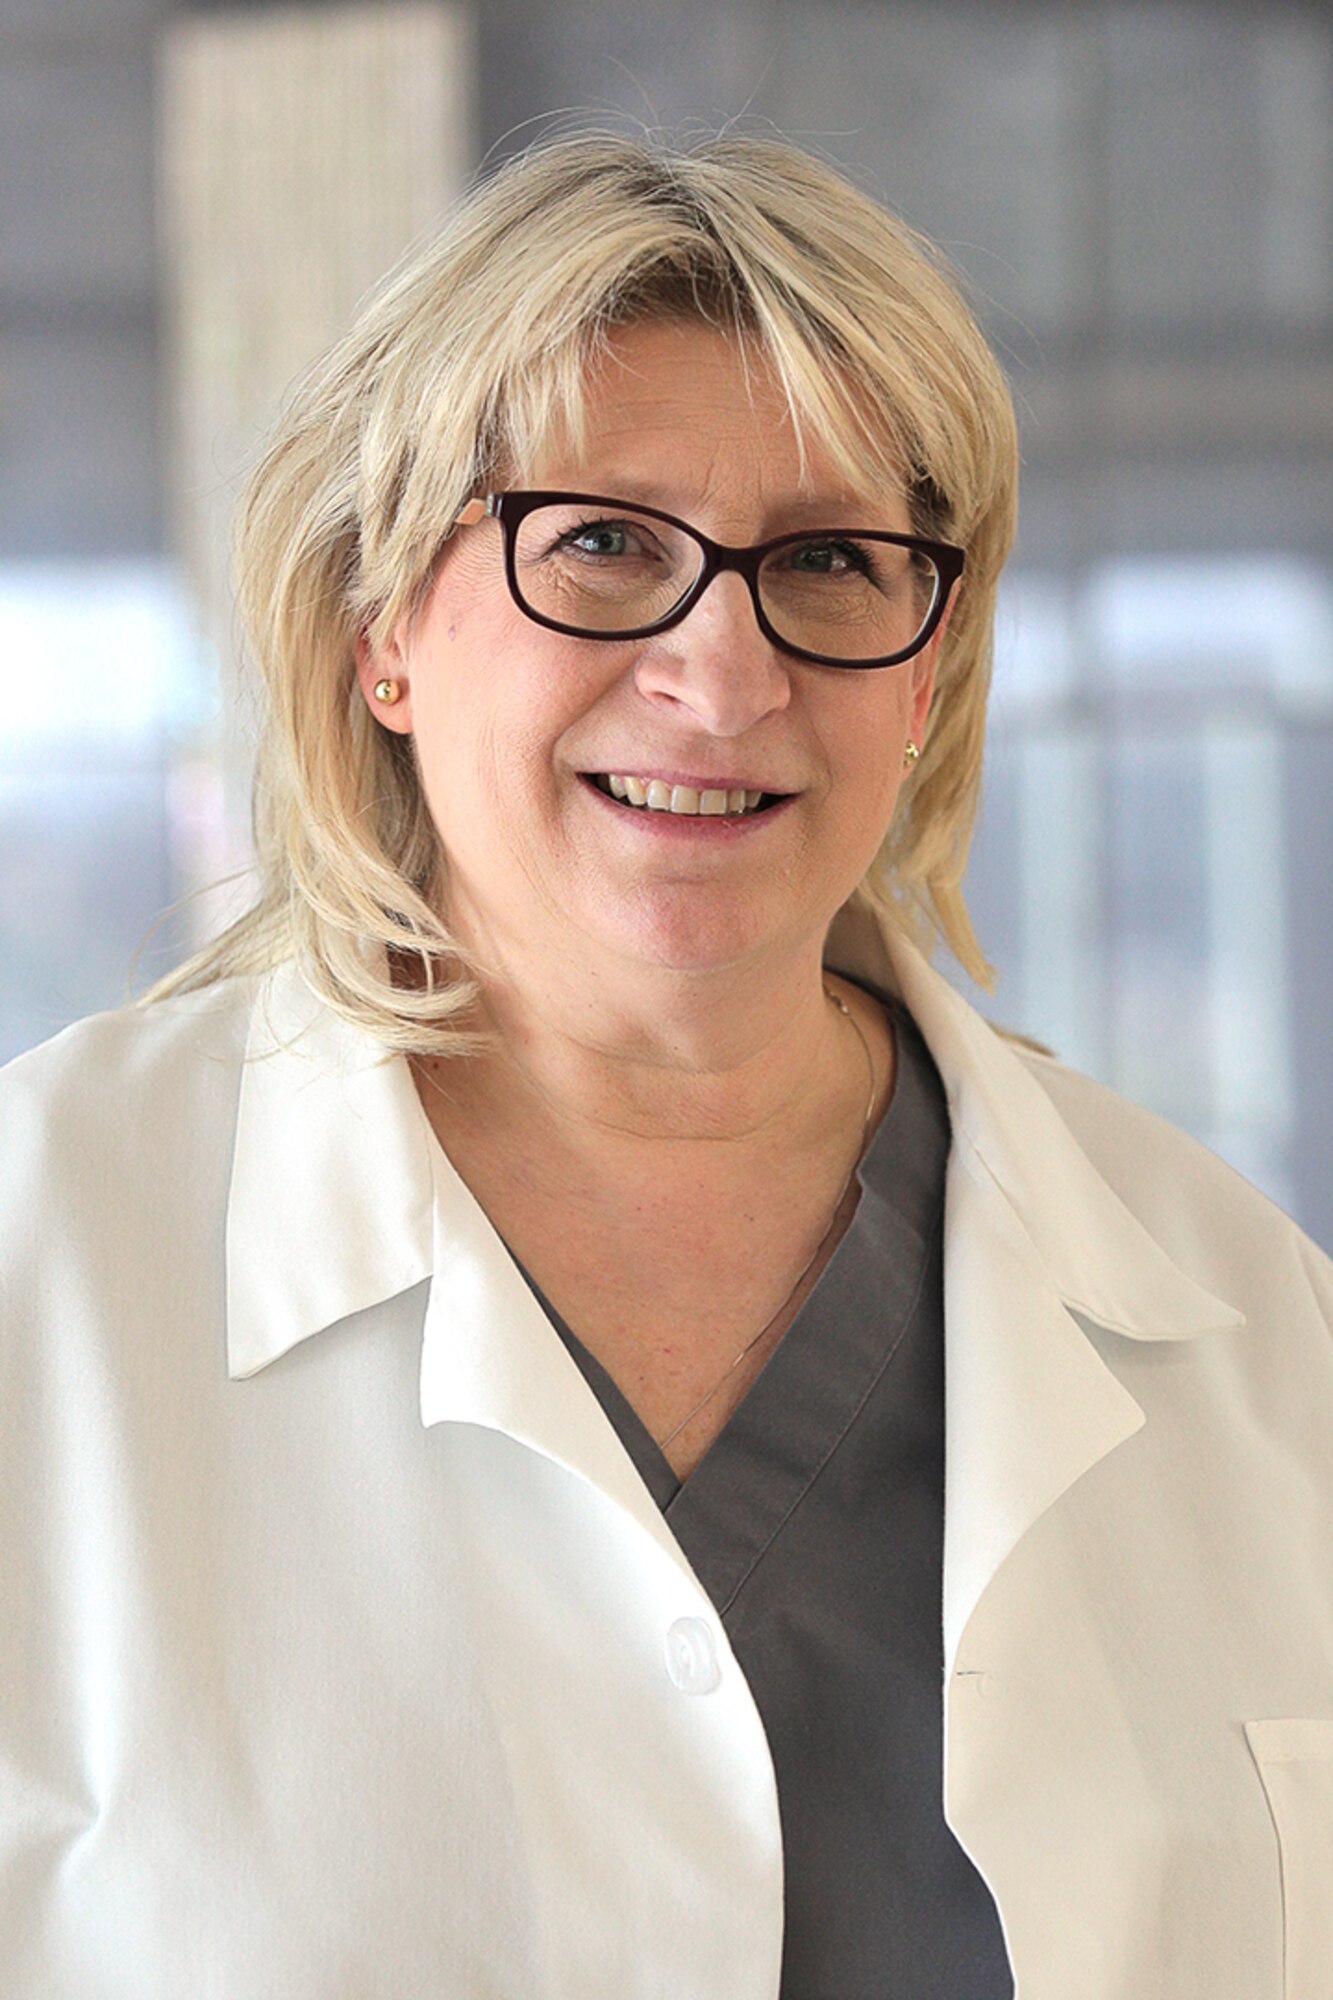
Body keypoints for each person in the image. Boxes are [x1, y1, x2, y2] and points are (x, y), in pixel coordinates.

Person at [2, 131, 1331, 2000]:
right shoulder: (43, 1256)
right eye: (606, 545)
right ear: (386, 624)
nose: (722, 674)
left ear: (925, 669)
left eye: (834, 561)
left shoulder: (1250, 1325)